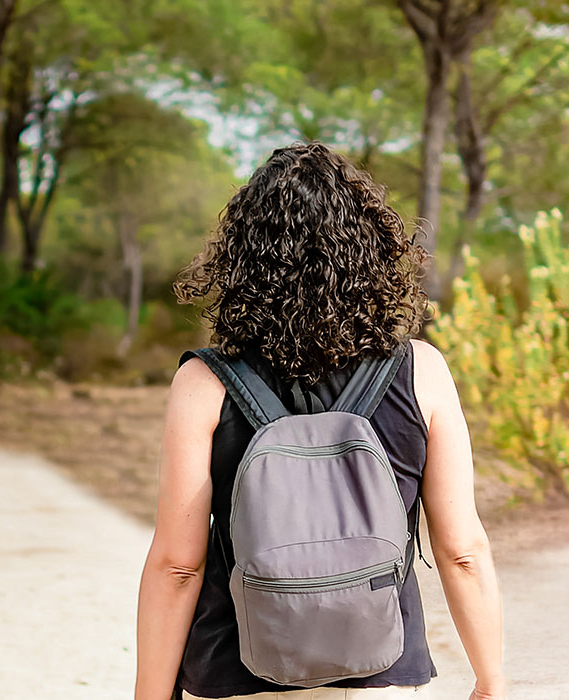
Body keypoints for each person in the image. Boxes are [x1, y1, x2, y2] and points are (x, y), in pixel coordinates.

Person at [134, 142, 505, 700]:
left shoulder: (204, 383)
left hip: (239, 671)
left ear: (241, 259)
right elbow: (462, 550)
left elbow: (177, 567)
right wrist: (491, 679)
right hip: (378, 669)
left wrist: (150, 695)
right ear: (370, 250)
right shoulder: (420, 371)